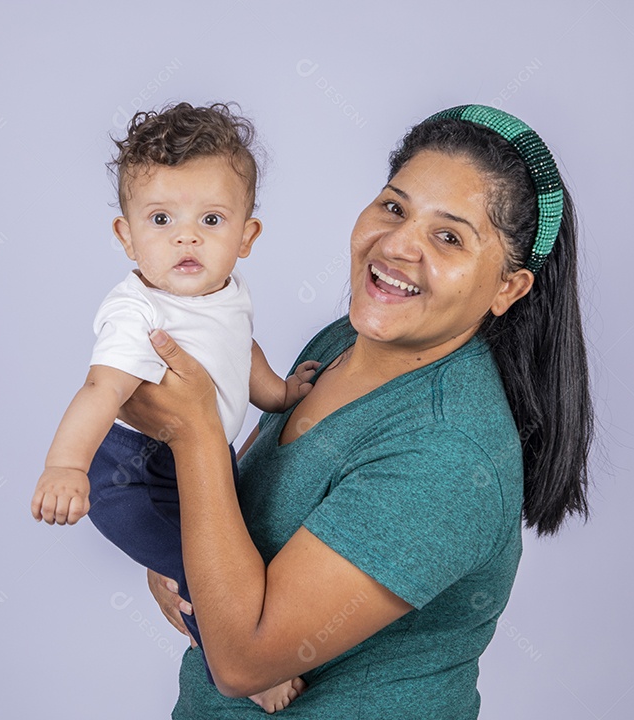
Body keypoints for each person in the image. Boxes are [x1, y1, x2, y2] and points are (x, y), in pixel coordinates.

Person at [120, 105, 594, 718]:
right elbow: (225, 515)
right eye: (394, 208)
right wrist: (177, 554)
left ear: (509, 287)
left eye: (448, 237)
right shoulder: (340, 342)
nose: (397, 246)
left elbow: (242, 662)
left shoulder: (448, 452)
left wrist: (194, 435)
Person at [29, 102, 318, 713]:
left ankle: (226, 635)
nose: (186, 236)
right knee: (201, 568)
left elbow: (240, 348)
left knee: (227, 550)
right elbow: (100, 391)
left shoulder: (225, 292)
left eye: (211, 219)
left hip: (189, 463)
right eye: (161, 218)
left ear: (247, 236)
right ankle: (240, 668)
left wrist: (281, 394)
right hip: (125, 474)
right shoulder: (136, 310)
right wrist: (65, 466)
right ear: (125, 235)